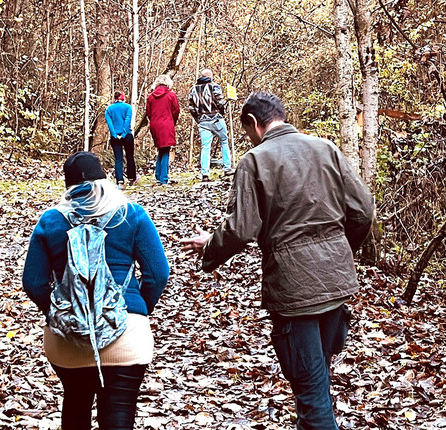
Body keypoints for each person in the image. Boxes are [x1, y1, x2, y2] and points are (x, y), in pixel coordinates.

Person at [179, 92, 375, 430]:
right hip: (336, 283)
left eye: (247, 132)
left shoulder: (254, 161)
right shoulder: (326, 149)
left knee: (312, 393)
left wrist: (209, 247)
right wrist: (340, 252)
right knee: (319, 381)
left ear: (254, 124)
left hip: (294, 289)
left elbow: (240, 229)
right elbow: (363, 212)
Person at [22, 152, 170, 430]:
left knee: (75, 405)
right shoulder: (132, 214)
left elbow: (34, 283)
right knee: (119, 417)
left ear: (67, 188)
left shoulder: (50, 221)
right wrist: (137, 310)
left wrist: (60, 313)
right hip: (127, 337)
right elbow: (158, 274)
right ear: (105, 180)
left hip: (67, 341)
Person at [188, 69, 233, 181]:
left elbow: (191, 108)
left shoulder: (193, 89)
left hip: (203, 122)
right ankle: (227, 168)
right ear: (210, 77)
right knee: (224, 141)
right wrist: (221, 113)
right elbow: (220, 102)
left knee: (205, 147)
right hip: (216, 120)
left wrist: (198, 119)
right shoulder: (214, 87)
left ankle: (205, 173)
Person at [145, 75, 180, 185]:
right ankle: (163, 178)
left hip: (155, 124)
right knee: (165, 150)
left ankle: (158, 174)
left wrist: (154, 120)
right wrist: (171, 121)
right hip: (167, 123)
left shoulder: (150, 97)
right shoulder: (171, 95)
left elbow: (148, 112)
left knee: (161, 149)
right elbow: (176, 110)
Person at [105, 91, 137, 188]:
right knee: (130, 157)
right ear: (123, 98)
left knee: (118, 159)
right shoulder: (128, 107)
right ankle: (132, 178)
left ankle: (120, 181)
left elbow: (109, 124)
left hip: (115, 137)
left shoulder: (109, 109)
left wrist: (115, 135)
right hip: (127, 135)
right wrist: (123, 134)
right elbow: (127, 121)